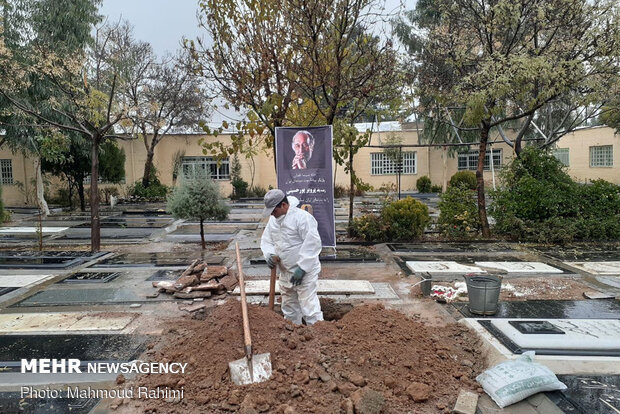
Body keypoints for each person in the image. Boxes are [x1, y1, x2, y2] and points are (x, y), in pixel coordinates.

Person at [260, 189, 323, 325]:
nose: (272, 214)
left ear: (283, 205)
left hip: (305, 273)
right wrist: (269, 254)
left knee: (309, 308)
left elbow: (312, 244)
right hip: (285, 272)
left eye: (274, 210)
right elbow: (267, 241)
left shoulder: (302, 218)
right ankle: (293, 336)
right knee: (289, 310)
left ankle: (319, 339)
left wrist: (302, 268)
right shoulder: (273, 221)